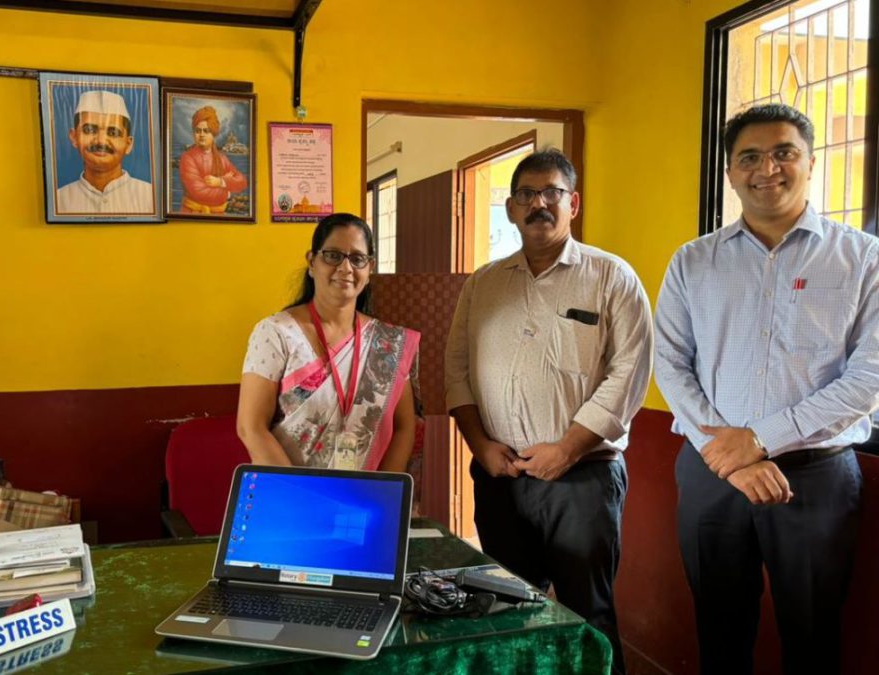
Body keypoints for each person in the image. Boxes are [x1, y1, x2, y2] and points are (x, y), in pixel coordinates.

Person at [654, 103, 879, 675]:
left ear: (810, 161)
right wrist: (729, 455)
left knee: (812, 631)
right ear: (730, 172)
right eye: (749, 157)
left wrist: (760, 439)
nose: (767, 169)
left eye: (784, 153)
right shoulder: (693, 261)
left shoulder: (863, 259)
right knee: (719, 627)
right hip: (710, 469)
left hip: (815, 476)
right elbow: (670, 363)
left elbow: (869, 377)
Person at [445, 149, 652, 675]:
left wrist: (567, 449)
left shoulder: (611, 278)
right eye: (525, 195)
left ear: (573, 202)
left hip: (583, 479)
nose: (538, 204)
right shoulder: (483, 283)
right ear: (511, 209)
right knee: (510, 613)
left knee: (588, 616)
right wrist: (479, 445)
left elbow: (628, 375)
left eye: (551, 193)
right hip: (501, 475)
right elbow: (455, 370)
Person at [237, 213, 420, 473]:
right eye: (333, 255)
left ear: (369, 270)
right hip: (291, 498)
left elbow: (404, 427)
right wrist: (303, 495)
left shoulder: (388, 343)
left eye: (357, 259)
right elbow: (250, 427)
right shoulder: (276, 333)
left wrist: (381, 495)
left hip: (363, 504)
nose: (345, 269)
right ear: (312, 262)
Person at [56, 90, 154, 214]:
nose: (101, 141)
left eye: (113, 133)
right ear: (74, 137)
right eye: (90, 130)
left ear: (128, 144)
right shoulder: (59, 200)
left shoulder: (151, 197)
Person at [178, 106, 248, 214]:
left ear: (213, 134)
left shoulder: (221, 158)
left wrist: (220, 181)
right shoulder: (187, 158)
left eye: (206, 131)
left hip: (218, 217)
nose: (201, 135)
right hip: (191, 215)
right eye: (198, 131)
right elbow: (199, 192)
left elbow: (242, 181)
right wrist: (227, 192)